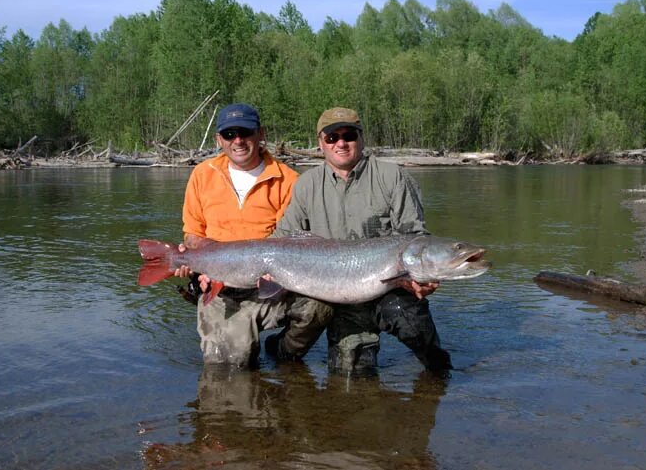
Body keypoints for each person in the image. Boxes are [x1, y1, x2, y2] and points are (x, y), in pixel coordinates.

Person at [272, 107, 453, 375]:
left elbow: (416, 237)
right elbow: (282, 240)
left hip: (389, 288)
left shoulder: (393, 177)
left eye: (349, 135)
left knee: (411, 321)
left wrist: (425, 278)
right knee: (352, 376)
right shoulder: (306, 185)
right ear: (321, 143)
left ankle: (440, 373)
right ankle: (278, 353)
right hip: (333, 291)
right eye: (332, 137)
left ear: (362, 138)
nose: (341, 143)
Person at [174, 103, 332, 368]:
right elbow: (193, 234)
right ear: (218, 139)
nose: (238, 141)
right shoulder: (202, 175)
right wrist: (201, 264)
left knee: (322, 305)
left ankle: (283, 350)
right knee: (230, 369)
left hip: (275, 285)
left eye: (245, 132)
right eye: (229, 134)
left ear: (260, 134)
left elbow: (296, 239)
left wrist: (279, 273)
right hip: (222, 289)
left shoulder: (289, 180)